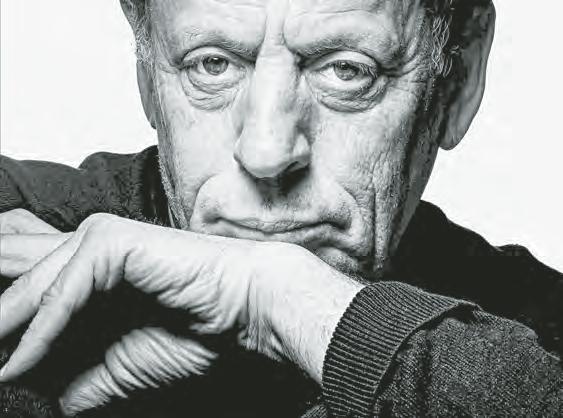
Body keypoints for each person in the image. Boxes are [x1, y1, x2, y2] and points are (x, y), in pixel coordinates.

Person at [0, 0, 561, 417]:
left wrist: (280, 298)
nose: (266, 151)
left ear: (458, 82)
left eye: (347, 70)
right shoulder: (26, 231)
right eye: (211, 64)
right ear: (147, 75)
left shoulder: (539, 335)